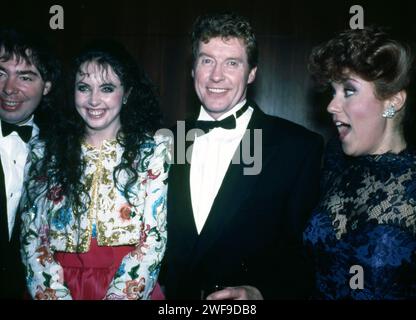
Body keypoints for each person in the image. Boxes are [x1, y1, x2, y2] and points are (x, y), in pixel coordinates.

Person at [160, 12, 324, 299]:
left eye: (232, 63)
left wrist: (260, 293)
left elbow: (307, 256)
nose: (216, 76)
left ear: (251, 73)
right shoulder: (168, 140)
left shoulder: (295, 147)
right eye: (206, 60)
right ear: (192, 68)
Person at [20, 40, 170, 300]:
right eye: (84, 88)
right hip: (56, 287)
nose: (93, 100)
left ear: (128, 93)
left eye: (107, 88)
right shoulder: (44, 151)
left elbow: (153, 239)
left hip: (129, 286)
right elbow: (31, 237)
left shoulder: (153, 150)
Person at [304, 26, 416, 299]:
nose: (332, 105)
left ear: (393, 101)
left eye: (349, 91)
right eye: (333, 91)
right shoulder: (334, 162)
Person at [0, 28, 61, 299]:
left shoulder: (60, 152)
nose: (9, 88)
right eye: (1, 73)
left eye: (25, 77)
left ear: (46, 86)